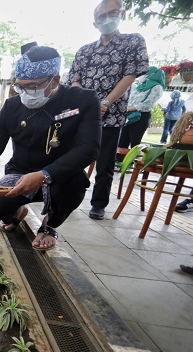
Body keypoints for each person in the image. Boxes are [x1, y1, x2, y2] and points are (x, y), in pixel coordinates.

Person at [0, 46, 101, 251]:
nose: (25, 93)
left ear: (55, 80)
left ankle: (48, 225)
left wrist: (44, 174)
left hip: (61, 175)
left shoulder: (83, 100)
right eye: (20, 87)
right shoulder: (12, 107)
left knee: (75, 185)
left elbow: (89, 149)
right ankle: (17, 212)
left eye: (32, 86)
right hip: (21, 173)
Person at [69, 0, 149, 220]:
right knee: (73, 156)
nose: (107, 18)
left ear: (121, 13)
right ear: (95, 23)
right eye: (101, 16)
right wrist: (87, 104)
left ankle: (98, 204)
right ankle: (66, 194)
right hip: (83, 115)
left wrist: (105, 103)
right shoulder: (85, 51)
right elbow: (74, 79)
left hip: (112, 115)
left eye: (112, 13)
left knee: (104, 162)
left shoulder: (133, 42)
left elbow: (130, 75)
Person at [118, 67, 164, 148]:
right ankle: (119, 160)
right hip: (129, 115)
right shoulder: (140, 86)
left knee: (135, 142)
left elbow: (148, 104)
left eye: (144, 74)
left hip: (141, 117)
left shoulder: (157, 87)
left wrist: (128, 108)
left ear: (152, 74)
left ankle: (132, 160)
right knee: (122, 140)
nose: (142, 76)